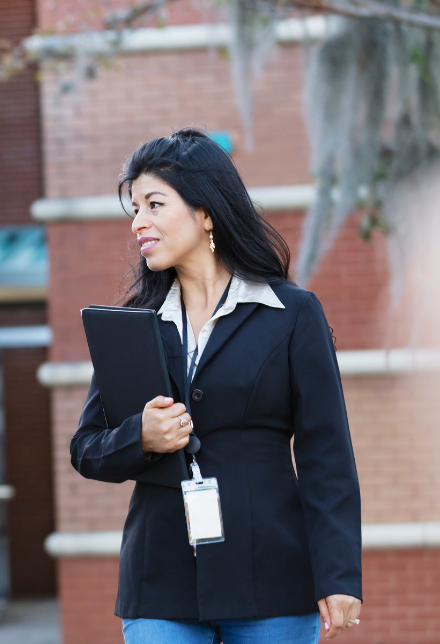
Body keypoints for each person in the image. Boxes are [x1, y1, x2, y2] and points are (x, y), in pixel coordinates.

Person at [71, 129, 362, 643]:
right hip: (160, 581)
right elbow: (87, 449)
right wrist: (140, 436)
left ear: (206, 212)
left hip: (273, 577)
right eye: (134, 208)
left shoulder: (292, 315)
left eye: (154, 204)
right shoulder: (133, 324)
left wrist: (338, 575)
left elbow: (327, 454)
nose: (139, 222)